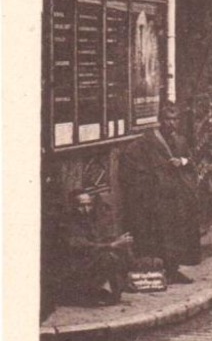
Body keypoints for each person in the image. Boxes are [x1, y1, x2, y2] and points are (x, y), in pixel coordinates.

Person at [122, 102, 201, 284]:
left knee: (177, 233)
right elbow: (133, 167)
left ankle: (174, 269)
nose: (171, 123)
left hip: (177, 197)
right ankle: (161, 270)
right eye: (167, 119)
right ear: (159, 121)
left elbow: (192, 161)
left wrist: (182, 161)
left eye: (174, 119)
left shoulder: (180, 141)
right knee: (159, 235)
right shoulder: (146, 143)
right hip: (157, 199)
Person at [55, 190, 134, 306]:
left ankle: (113, 288)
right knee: (107, 257)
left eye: (88, 205)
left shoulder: (89, 220)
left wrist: (117, 241)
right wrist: (111, 245)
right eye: (81, 206)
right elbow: (81, 246)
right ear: (72, 206)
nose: (86, 209)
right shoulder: (67, 223)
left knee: (120, 251)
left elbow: (98, 239)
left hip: (90, 257)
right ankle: (96, 292)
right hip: (74, 264)